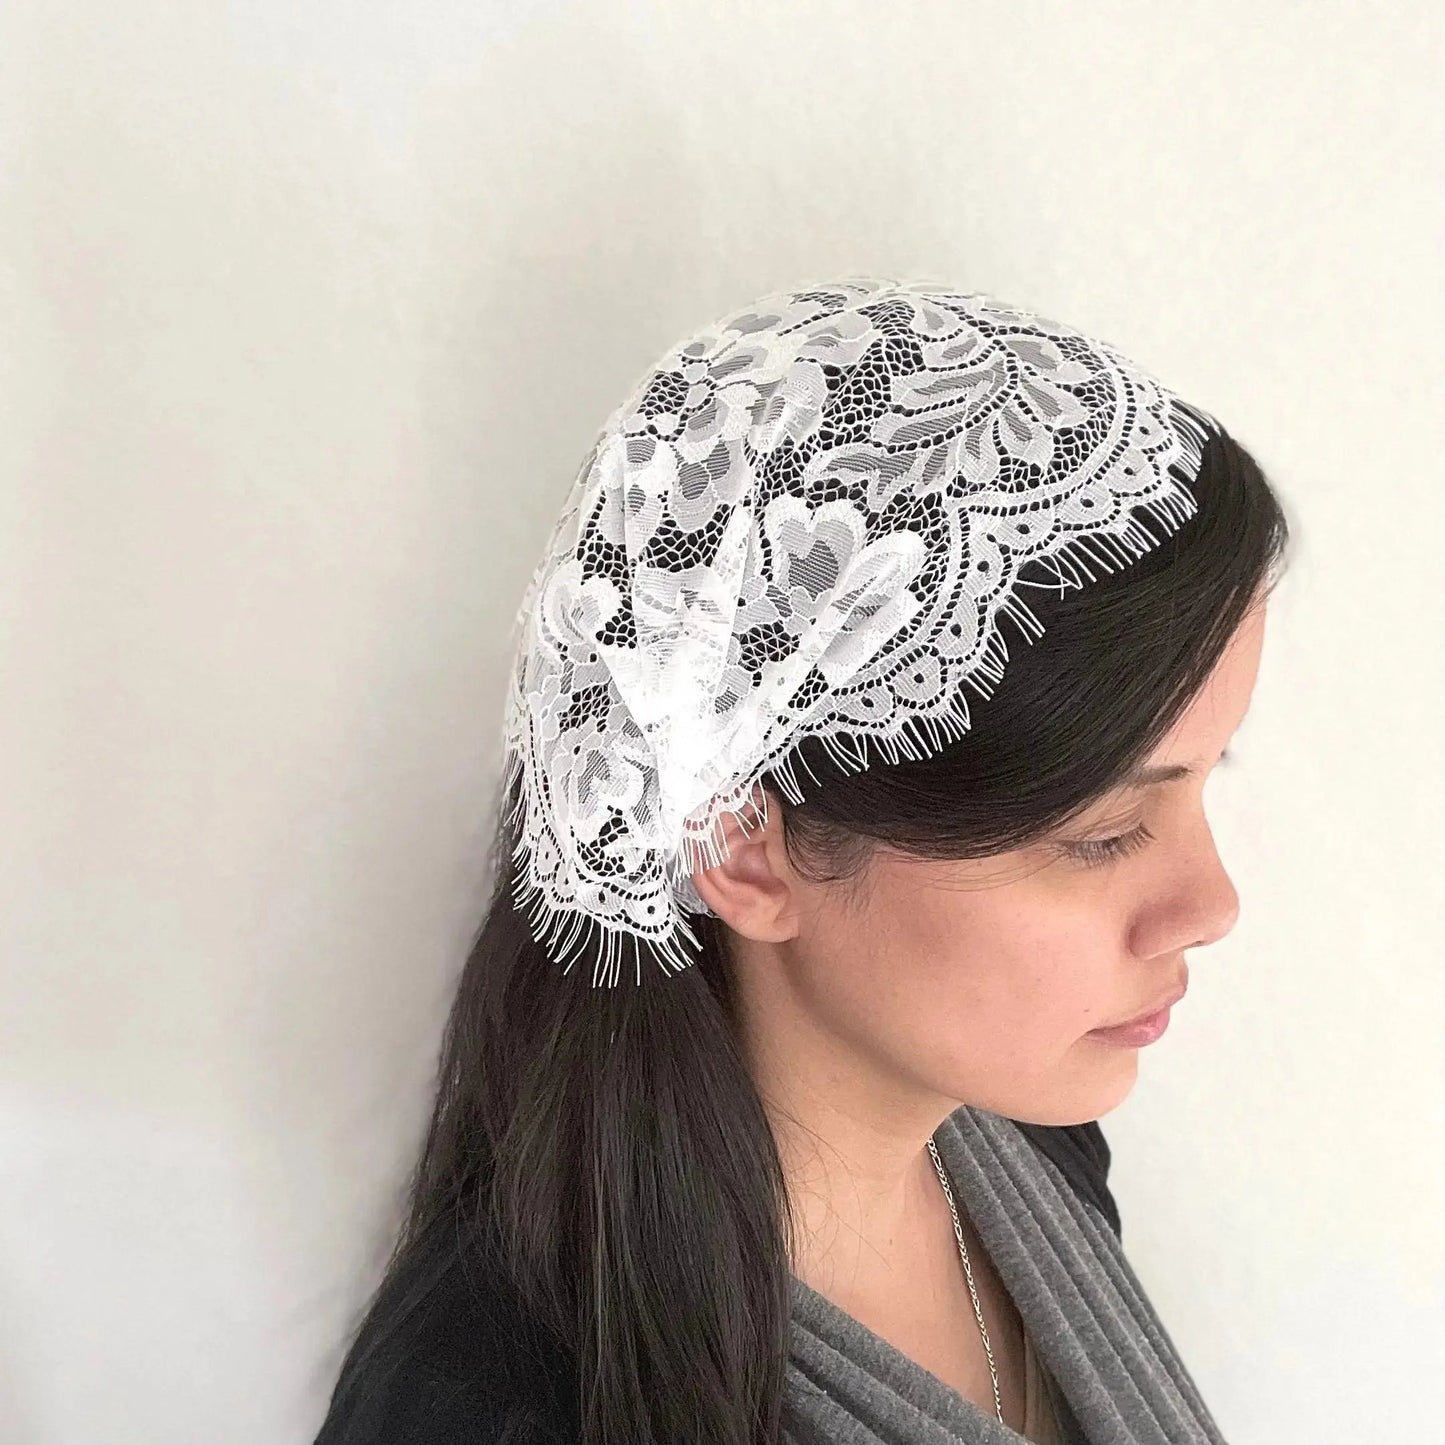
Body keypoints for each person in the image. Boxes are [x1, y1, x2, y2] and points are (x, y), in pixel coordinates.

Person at [311, 279, 1292, 1444]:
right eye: (1100, 834)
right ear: (746, 846)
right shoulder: (501, 1409)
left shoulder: (1028, 1153)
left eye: (1204, 776)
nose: (1211, 903)